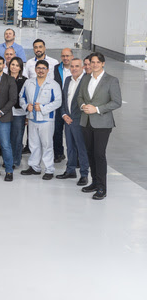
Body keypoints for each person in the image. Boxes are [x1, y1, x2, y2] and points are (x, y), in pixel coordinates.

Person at [76, 52, 122, 200]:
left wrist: (96, 109)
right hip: (86, 121)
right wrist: (83, 106)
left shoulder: (111, 80)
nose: (94, 65)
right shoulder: (86, 78)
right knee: (90, 153)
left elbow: (117, 102)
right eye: (92, 62)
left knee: (99, 154)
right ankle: (95, 182)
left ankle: (102, 187)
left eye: (97, 62)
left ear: (103, 64)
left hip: (102, 123)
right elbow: (80, 96)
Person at [19, 59, 63, 179]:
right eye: (38, 68)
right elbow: (21, 97)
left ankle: (49, 170)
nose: (41, 70)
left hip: (46, 120)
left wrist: (43, 108)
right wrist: (26, 106)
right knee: (33, 145)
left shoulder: (53, 84)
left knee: (47, 145)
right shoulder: (28, 82)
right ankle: (34, 167)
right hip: (32, 118)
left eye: (43, 68)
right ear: (35, 69)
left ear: (48, 70)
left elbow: (58, 101)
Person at [57, 57, 89, 186]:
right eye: (72, 66)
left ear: (82, 68)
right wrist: (64, 114)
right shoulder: (67, 80)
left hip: (80, 120)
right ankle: (70, 170)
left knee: (81, 148)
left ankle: (84, 174)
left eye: (77, 66)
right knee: (70, 147)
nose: (74, 69)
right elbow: (64, 99)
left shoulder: (87, 80)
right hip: (68, 119)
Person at [52, 48, 74, 164]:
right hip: (59, 104)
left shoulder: (76, 68)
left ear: (72, 56)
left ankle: (75, 156)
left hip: (72, 104)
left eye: (67, 56)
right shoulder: (56, 68)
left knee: (72, 131)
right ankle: (58, 153)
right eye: (63, 56)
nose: (65, 58)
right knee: (57, 130)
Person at [7, 57, 28, 169]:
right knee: (6, 138)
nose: (14, 67)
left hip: (19, 113)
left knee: (17, 138)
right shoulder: (4, 78)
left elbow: (27, 97)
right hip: (5, 112)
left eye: (17, 65)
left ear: (20, 68)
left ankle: (15, 161)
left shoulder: (25, 81)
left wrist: (27, 115)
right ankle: (7, 159)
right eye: (12, 64)